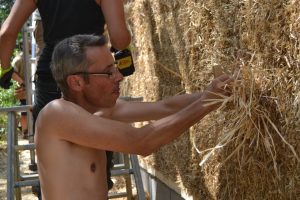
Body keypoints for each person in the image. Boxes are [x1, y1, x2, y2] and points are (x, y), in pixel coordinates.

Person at [34, 34, 233, 199]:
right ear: (76, 82)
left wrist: (223, 91)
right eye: (108, 73)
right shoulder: (55, 114)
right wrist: (207, 101)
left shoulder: (100, 111)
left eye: (115, 67)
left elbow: (165, 107)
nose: (119, 76)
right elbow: (141, 141)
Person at [0, 0, 131, 191]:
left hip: (52, 72)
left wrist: (4, 69)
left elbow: (6, 33)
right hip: (90, 72)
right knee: (96, 157)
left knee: (51, 152)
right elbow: (119, 39)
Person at [11, 47, 28, 139]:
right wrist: (22, 83)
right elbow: (11, 72)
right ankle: (25, 132)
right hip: (24, 92)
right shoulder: (19, 59)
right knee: (24, 112)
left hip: (37, 91)